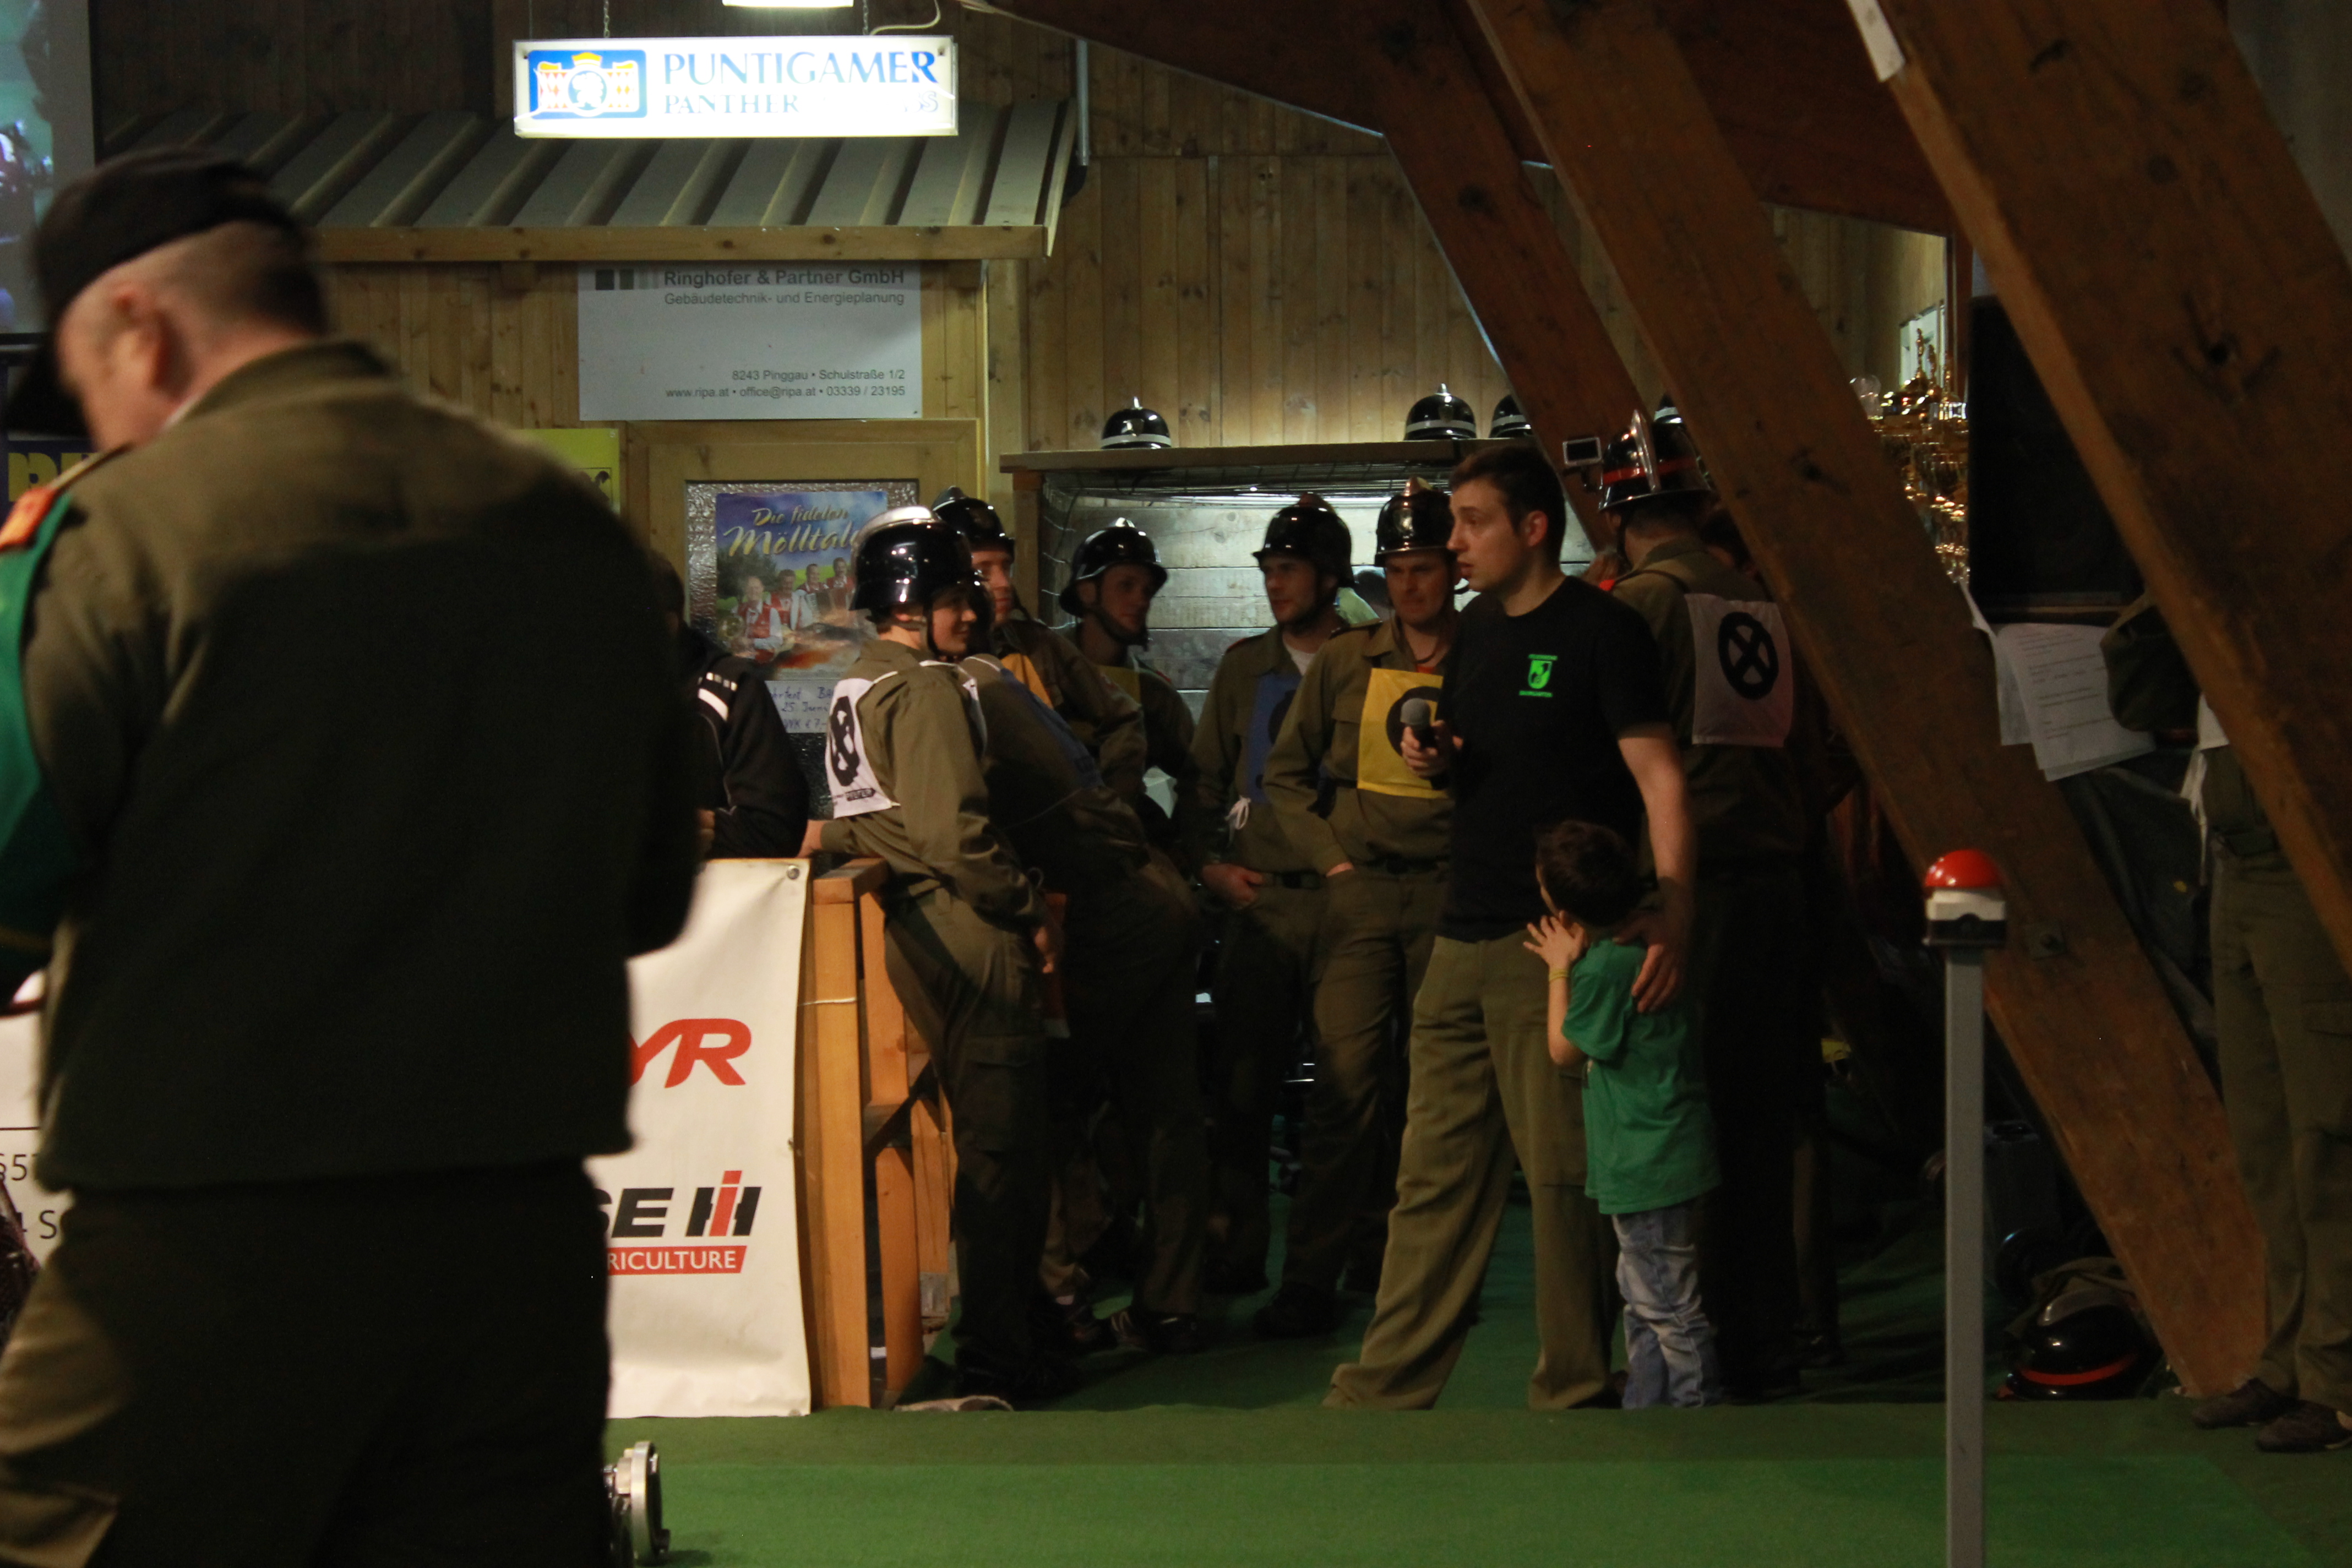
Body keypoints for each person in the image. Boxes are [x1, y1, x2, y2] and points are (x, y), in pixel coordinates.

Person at [0, 149, 698, 1564]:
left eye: (83, 385)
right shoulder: (569, 528)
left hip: (207, 1251)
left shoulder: (124, 531)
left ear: (138, 326)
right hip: (518, 1251)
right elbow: (649, 890)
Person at [1327, 440, 1695, 1412]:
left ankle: (1573, 1384)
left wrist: (1672, 911)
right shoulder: (1479, 631)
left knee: (1564, 1179)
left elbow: (1660, 777)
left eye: (1472, 522)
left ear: (1534, 528)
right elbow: (1486, 758)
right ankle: (1383, 1389)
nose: (1453, 542)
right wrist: (1441, 755)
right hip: (1462, 932)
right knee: (1430, 1175)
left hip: (1558, 944)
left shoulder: (1605, 630)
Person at [807, 512, 1065, 1403]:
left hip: (910, 931)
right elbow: (956, 837)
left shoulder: (858, 683)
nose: (974, 611)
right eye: (957, 597)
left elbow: (865, 821)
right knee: (1002, 1152)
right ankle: (997, 1349)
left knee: (987, 1144)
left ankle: (1005, 1331)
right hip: (966, 928)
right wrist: (1028, 908)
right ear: (914, 603)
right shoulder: (923, 688)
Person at [2104, 595, 2352, 1454]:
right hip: (2235, 861)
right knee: (2268, 1139)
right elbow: (2141, 701)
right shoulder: (2209, 582)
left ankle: (2338, 1378)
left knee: (2328, 1135)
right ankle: (2293, 1361)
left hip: (2306, 854)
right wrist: (2154, 596)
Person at [1600, 406, 1814, 1399]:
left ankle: (1697, 1346)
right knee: (1763, 1125)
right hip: (1777, 882)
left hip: (1695, 893)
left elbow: (1623, 759)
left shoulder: (1641, 605)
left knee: (1684, 1127)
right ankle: (1769, 1338)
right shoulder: (1753, 596)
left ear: (1617, 514)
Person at [955, 597, 1211, 1356]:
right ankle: (1164, 1304)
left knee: (1040, 1102)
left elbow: (954, 831)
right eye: (978, 574)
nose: (991, 589)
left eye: (998, 568)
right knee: (1161, 1112)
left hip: (1108, 908)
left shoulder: (976, 682)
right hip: (1140, 891)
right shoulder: (996, 675)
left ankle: (1063, 1301)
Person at [1256, 480, 1459, 1336]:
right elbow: (1284, 777)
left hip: (1449, 894)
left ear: (1454, 570)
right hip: (1363, 891)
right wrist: (1333, 864)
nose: (1411, 586)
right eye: (1398, 570)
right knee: (1345, 1090)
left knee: (1433, 1095)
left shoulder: (1486, 655)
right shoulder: (1348, 660)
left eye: (1426, 568)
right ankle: (1311, 1276)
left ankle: (1410, 1274)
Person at [1192, 496, 1356, 1292]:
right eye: (1269, 569)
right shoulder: (1243, 668)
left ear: (1328, 576)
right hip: (1259, 903)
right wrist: (1208, 869)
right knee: (1243, 1087)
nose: (1275, 583)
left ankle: (1333, 1264)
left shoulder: (1366, 661)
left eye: (1289, 569)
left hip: (1344, 905)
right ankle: (1237, 1249)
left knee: (1351, 1092)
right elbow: (1201, 783)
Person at [1526, 820, 1721, 1409]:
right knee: (1642, 1296)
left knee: (1668, 1302)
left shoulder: (1605, 969)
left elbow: (1564, 1050)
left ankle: (1699, 1411)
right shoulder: (1647, 945)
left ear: (1563, 911)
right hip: (1662, 1148)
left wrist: (1559, 968)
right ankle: (1647, 1404)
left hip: (1646, 1158)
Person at [935, 487, 1148, 804]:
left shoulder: (1037, 645)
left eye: (1006, 567)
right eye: (983, 571)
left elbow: (1123, 717)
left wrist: (1110, 801)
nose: (1003, 583)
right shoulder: (922, 663)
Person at [649, 553, 808, 859]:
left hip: (710, 886)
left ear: (668, 624)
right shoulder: (581, 696)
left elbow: (775, 828)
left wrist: (690, 829)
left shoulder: (731, 688)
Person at [1059, 520, 1199, 861]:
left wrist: (1181, 849)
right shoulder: (1039, 669)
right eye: (1126, 586)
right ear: (1087, 592)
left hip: (1119, 853)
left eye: (1147, 591)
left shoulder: (1154, 695)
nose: (1140, 600)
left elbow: (1201, 778)